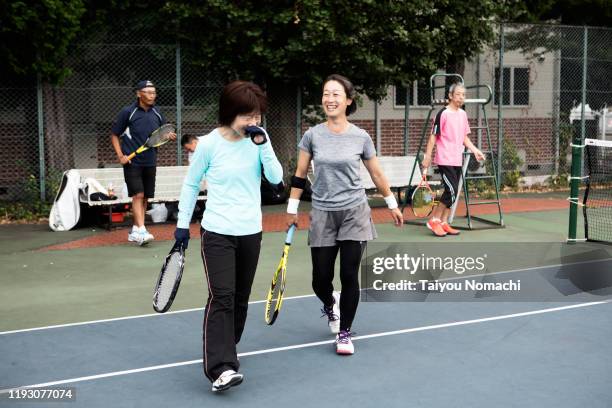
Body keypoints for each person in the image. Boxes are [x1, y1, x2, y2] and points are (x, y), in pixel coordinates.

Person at [173, 80, 282, 392]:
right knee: (222, 296)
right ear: (230, 113)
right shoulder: (208, 144)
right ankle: (220, 367)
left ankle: (226, 349)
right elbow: (191, 185)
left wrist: (264, 145)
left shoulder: (260, 139)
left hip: (251, 231)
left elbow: (276, 180)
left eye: (257, 116)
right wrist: (182, 225)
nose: (254, 122)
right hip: (217, 231)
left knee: (240, 299)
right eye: (248, 116)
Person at [285, 74, 403, 355]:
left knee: (349, 274)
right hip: (323, 213)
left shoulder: (360, 136)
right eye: (326, 93)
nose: (330, 99)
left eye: (336, 94)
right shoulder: (312, 135)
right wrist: (291, 209)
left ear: (348, 101)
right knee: (320, 279)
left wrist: (391, 203)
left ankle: (345, 333)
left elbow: (375, 173)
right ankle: (330, 304)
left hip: (354, 211)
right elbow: (300, 175)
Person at [110, 80, 176, 245]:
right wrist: (120, 156)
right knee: (137, 195)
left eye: (154, 92)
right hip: (132, 162)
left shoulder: (157, 112)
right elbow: (114, 135)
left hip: (150, 161)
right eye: (148, 92)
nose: (152, 95)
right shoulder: (128, 112)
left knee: (145, 197)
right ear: (139, 93)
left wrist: (168, 136)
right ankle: (141, 229)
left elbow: (163, 132)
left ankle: (135, 230)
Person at [421, 83, 485, 237]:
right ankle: (434, 220)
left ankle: (443, 222)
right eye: (458, 94)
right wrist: (427, 157)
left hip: (457, 159)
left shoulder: (462, 114)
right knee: (451, 190)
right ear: (450, 96)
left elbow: (464, 137)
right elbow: (432, 137)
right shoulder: (442, 114)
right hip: (444, 159)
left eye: (464, 94)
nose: (461, 97)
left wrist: (475, 150)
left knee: (454, 193)